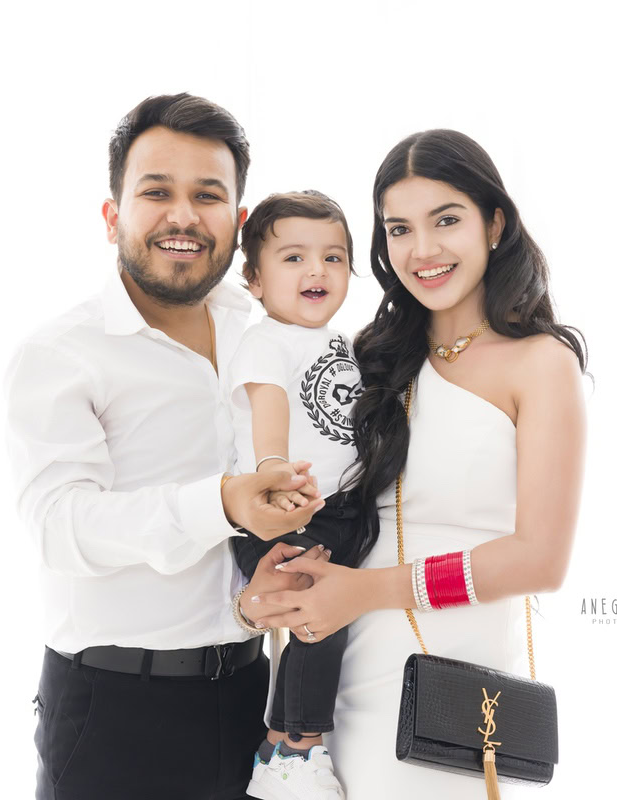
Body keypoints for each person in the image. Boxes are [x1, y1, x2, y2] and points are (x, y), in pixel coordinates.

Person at [239, 129, 588, 798]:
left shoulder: (542, 364)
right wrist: (261, 600)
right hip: (333, 682)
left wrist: (362, 592)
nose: (422, 250)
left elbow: (540, 561)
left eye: (446, 220)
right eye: (399, 228)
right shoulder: (364, 357)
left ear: (495, 223)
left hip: (453, 692)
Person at [4, 92, 333, 800]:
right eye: (157, 192)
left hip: (252, 698)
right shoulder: (63, 353)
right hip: (116, 716)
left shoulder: (264, 335)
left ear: (239, 223)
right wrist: (221, 501)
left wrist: (255, 604)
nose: (183, 215)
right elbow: (64, 529)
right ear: (112, 215)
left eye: (208, 196)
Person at [225, 191, 363, 800]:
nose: (317, 271)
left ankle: (279, 742)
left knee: (323, 612)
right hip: (287, 506)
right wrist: (276, 471)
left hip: (337, 509)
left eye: (334, 257)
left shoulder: (345, 343)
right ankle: (300, 750)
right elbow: (270, 407)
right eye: (294, 258)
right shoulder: (267, 341)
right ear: (253, 279)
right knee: (315, 615)